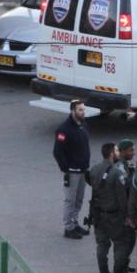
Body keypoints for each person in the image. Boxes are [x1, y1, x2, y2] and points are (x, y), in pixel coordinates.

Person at [88, 142, 133, 273]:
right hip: (114, 215)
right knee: (121, 243)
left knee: (102, 244)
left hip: (98, 214)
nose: (118, 153)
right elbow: (122, 198)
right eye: (116, 151)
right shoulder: (116, 172)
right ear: (112, 154)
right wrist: (127, 216)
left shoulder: (94, 169)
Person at [53, 99, 91, 239]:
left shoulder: (83, 125)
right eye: (80, 110)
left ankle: (75, 223)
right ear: (72, 111)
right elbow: (58, 151)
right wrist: (66, 169)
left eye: (83, 109)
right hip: (72, 171)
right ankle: (68, 228)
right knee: (70, 200)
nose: (83, 112)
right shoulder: (64, 129)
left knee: (79, 199)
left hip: (82, 170)